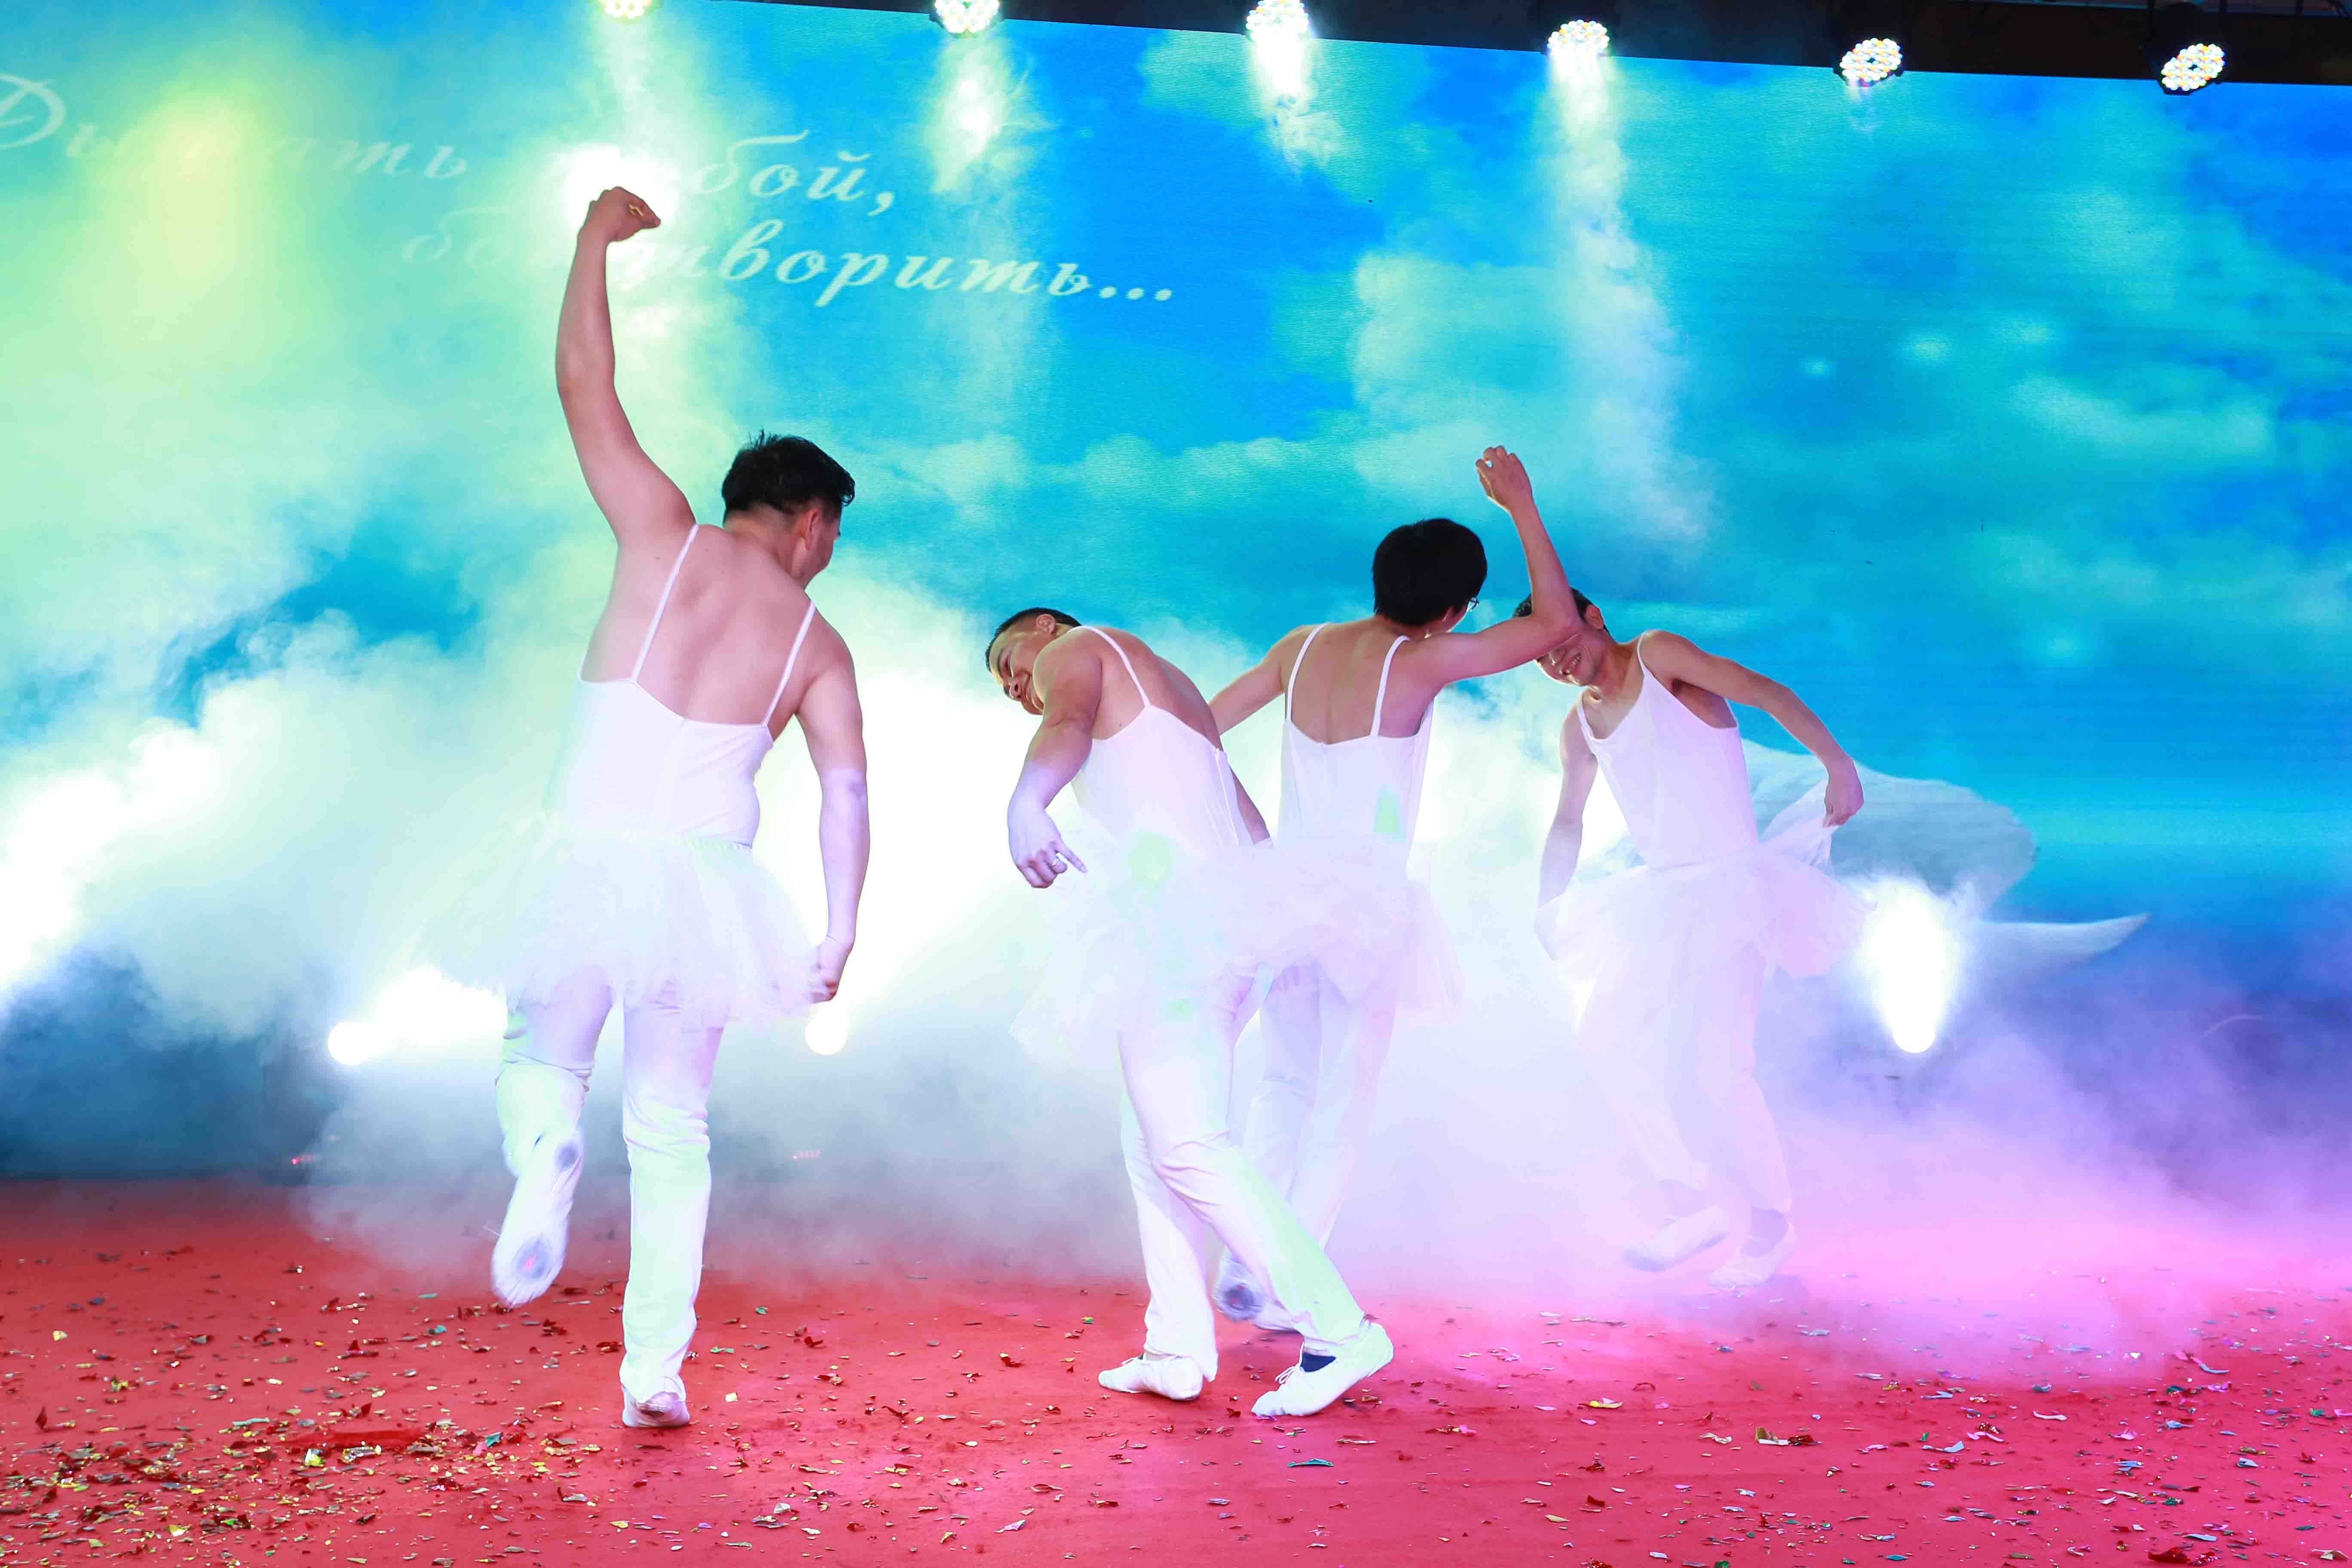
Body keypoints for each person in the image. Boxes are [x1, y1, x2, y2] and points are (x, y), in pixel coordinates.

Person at [436, 188, 870, 1428]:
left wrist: (591, 241)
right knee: (674, 1130)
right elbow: (845, 794)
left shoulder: (663, 533)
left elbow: (585, 384)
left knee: (540, 1060)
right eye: (834, 533)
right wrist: (838, 930)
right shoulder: (819, 644)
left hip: (586, 849)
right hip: (704, 888)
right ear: (812, 521)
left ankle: (545, 1155)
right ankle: (654, 1376)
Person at [985, 609, 1393, 1417]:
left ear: (1045, 627)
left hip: (1179, 936)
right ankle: (1176, 1347)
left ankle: (1340, 1331)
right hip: (1215, 934)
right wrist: (1273, 937)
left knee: (1186, 1145)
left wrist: (1027, 803)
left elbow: (1065, 722)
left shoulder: (1081, 647)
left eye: (1008, 662)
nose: (1013, 686)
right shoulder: (1176, 697)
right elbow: (1249, 824)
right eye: (1003, 686)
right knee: (1154, 1143)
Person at [1204, 447, 1576, 1327]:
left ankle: (1246, 1259)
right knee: (1344, 1096)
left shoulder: (1300, 647)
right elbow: (1558, 623)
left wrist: (1256, 838)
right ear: (1453, 611)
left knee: (1282, 1084)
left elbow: (1198, 733)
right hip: (1366, 900)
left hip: (1283, 891)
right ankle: (1291, 1279)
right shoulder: (1425, 661)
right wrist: (1522, 504)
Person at [1522, 591, 1866, 1287]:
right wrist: (1547, 902)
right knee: (1603, 1036)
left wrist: (1838, 764)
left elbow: (1767, 693)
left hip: (1732, 890)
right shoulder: (1579, 726)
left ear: (1594, 618)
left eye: (1562, 641)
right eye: (1542, 657)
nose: (1557, 661)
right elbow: (1568, 821)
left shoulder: (1658, 655)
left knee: (1720, 1069)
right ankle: (1691, 1202)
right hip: (1663, 899)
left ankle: (1771, 1227)